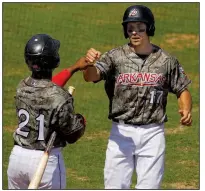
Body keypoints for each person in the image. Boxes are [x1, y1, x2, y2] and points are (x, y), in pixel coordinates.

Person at [82, 5, 192, 189]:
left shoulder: (166, 60)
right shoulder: (115, 57)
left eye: (140, 27)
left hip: (153, 133)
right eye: (130, 28)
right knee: (114, 186)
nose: (135, 32)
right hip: (121, 133)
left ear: (149, 28)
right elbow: (91, 76)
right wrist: (88, 64)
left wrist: (186, 108)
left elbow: (182, 88)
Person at [7, 34, 91, 189]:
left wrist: (73, 69)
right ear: (53, 60)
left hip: (17, 159)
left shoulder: (21, 87)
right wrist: (81, 121)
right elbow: (72, 133)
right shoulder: (59, 96)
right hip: (44, 162)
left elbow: (46, 88)